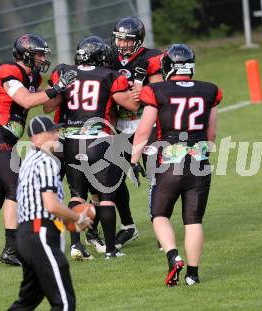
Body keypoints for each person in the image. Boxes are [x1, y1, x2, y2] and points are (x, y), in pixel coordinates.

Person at [0, 33, 76, 268]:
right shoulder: (8, 69)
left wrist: (63, 90)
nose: (41, 58)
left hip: (5, 138)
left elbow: (45, 106)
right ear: (25, 54)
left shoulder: (32, 76)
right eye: (38, 54)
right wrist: (56, 87)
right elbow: (25, 101)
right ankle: (11, 249)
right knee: (16, 187)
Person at [130, 44, 222, 286]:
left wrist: (134, 159)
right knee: (193, 220)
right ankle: (193, 274)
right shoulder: (209, 90)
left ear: (168, 67)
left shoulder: (156, 90)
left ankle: (173, 256)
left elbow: (143, 131)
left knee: (159, 215)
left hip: (169, 162)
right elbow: (211, 134)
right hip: (199, 162)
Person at [44, 35, 140, 260]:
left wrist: (61, 89)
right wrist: (136, 91)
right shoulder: (109, 75)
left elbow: (48, 107)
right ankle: (110, 249)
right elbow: (130, 105)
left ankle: (76, 245)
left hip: (70, 141)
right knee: (106, 196)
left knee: (77, 196)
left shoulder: (64, 72)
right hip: (98, 140)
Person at [8, 115, 92, 311]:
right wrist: (78, 218)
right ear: (37, 137)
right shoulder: (45, 161)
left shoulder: (29, 159)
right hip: (40, 233)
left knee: (27, 301)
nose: (57, 135)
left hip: (27, 235)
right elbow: (51, 205)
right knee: (64, 302)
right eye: (52, 132)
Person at [106, 16, 164, 250]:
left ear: (138, 40)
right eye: (119, 38)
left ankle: (161, 226)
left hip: (146, 124)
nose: (121, 44)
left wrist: (138, 89)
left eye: (127, 40)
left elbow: (157, 91)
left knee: (154, 177)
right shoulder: (108, 58)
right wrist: (134, 88)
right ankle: (128, 226)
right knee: (112, 179)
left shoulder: (151, 57)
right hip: (119, 125)